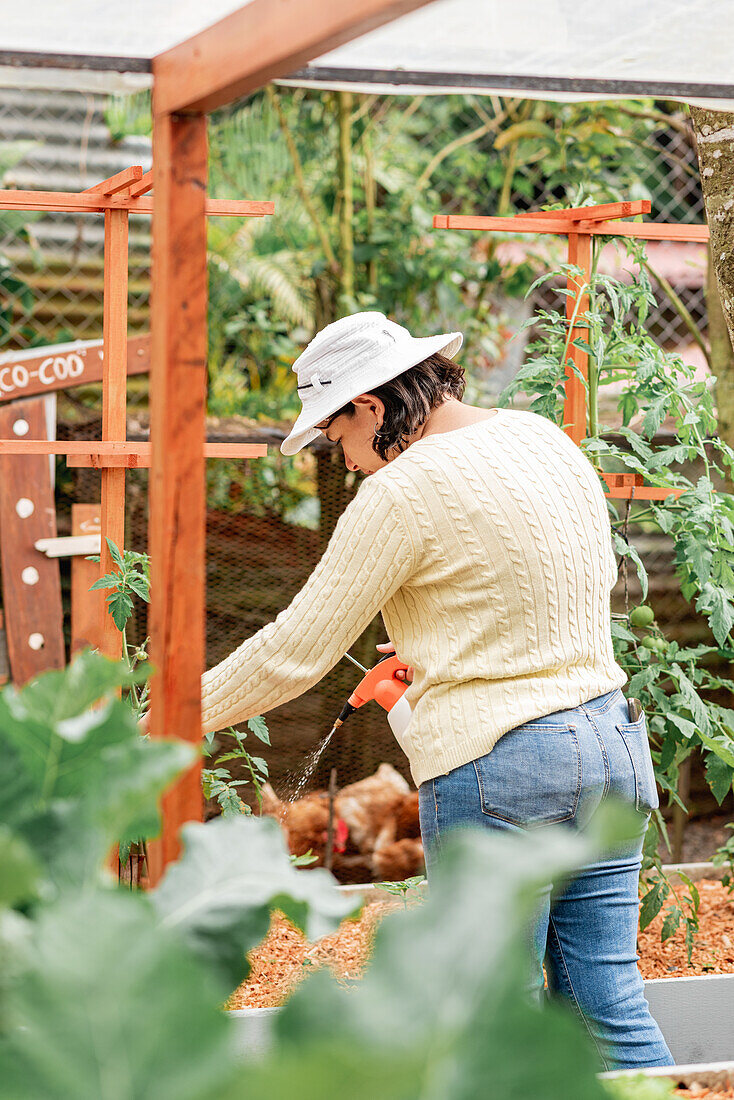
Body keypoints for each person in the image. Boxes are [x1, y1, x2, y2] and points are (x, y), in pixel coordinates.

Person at [201, 310, 672, 1071]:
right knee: (607, 1005)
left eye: (339, 438)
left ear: (374, 409)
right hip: (614, 744)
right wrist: (449, 637)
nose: (346, 462)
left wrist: (168, 716)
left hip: (506, 768)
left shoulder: (403, 491)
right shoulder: (542, 437)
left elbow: (295, 653)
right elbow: (576, 584)